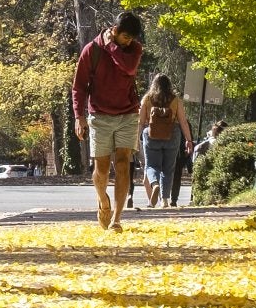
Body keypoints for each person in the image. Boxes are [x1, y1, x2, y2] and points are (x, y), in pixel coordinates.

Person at [73, 12, 146, 229]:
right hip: (100, 115)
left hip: (128, 114)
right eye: (125, 37)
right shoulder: (92, 50)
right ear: (113, 30)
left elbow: (129, 67)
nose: (128, 41)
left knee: (123, 164)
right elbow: (79, 86)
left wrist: (112, 46)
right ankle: (103, 200)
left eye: (131, 38)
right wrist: (79, 116)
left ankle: (117, 219)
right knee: (102, 169)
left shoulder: (134, 49)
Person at [140, 74, 190, 210]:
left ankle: (154, 184)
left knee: (151, 166)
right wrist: (189, 140)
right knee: (168, 169)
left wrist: (135, 140)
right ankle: (165, 201)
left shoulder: (147, 99)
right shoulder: (176, 100)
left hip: (151, 135)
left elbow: (141, 122)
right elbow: (183, 122)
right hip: (172, 135)